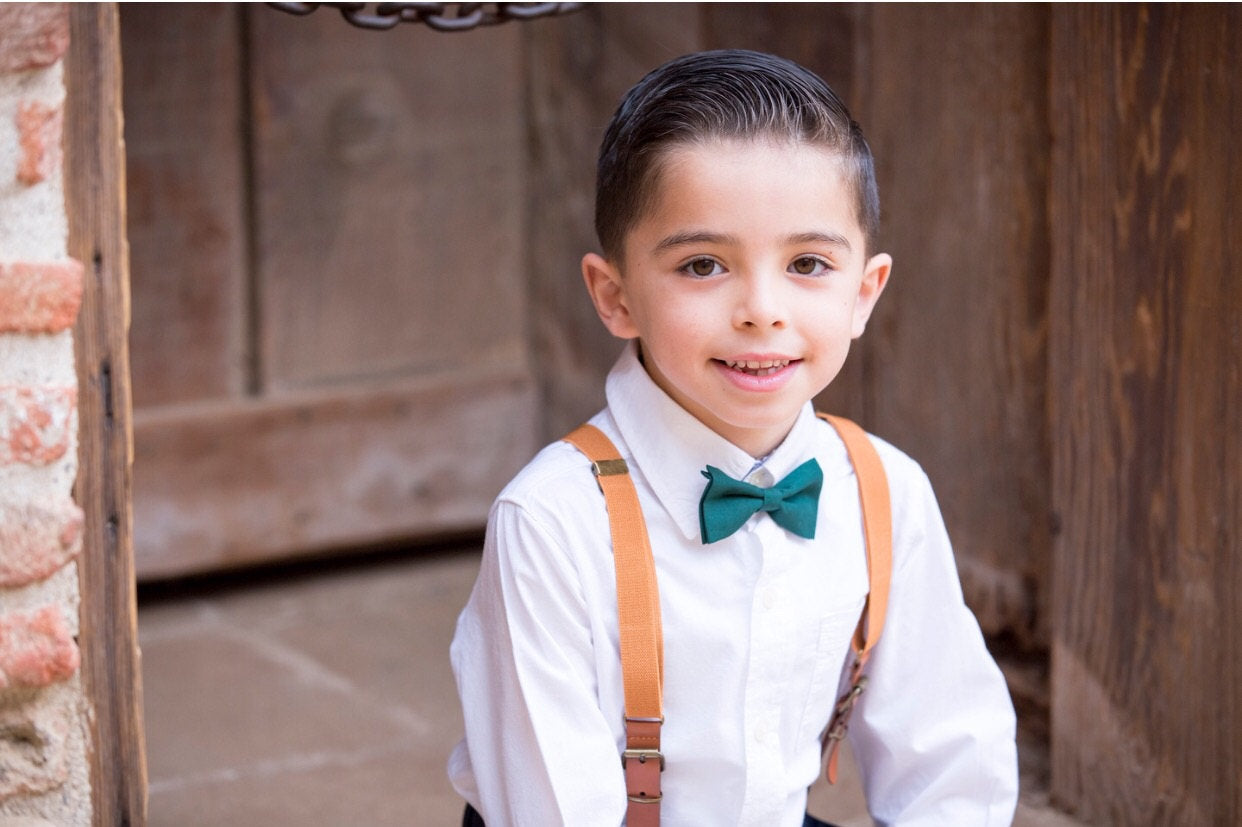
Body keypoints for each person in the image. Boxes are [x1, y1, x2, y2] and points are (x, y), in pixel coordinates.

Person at [447, 49, 1018, 826]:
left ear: (864, 292)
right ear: (616, 297)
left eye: (808, 263)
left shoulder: (883, 491)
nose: (761, 309)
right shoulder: (551, 522)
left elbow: (951, 766)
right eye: (704, 264)